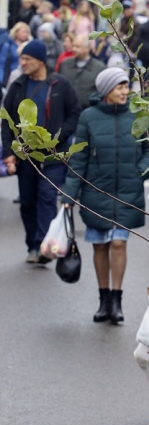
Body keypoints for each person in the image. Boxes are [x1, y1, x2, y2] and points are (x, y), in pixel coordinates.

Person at [60, 68, 149, 323]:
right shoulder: (88, 117)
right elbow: (78, 158)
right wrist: (68, 196)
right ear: (105, 91)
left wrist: (140, 173)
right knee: (100, 245)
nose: (124, 92)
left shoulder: (138, 113)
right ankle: (103, 301)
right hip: (96, 190)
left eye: (126, 86)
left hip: (127, 191)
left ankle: (117, 299)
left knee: (118, 243)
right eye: (118, 87)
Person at [2, 40, 81, 263]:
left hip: (53, 156)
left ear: (40, 60)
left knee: (47, 197)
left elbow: (74, 114)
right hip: (26, 156)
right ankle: (33, 246)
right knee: (28, 201)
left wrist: (58, 138)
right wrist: (9, 153)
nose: (22, 63)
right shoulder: (17, 86)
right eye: (21, 59)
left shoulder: (60, 85)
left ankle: (46, 245)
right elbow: (6, 122)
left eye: (26, 59)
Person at [58, 35, 105, 110]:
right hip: (66, 111)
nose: (74, 49)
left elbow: (102, 92)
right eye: (73, 46)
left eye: (77, 47)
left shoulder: (99, 67)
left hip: (89, 111)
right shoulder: (65, 64)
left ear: (87, 48)